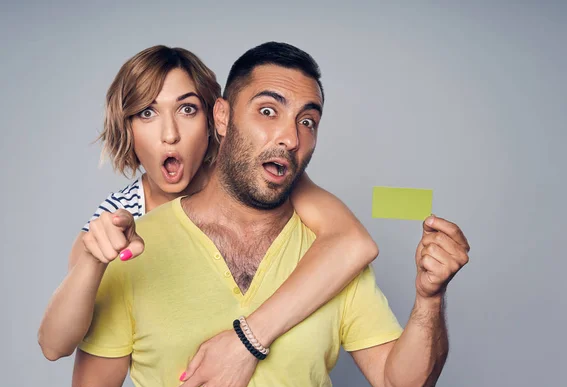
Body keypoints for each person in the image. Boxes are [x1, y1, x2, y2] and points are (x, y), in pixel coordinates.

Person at [71, 42, 470, 387]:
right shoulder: (134, 249)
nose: (291, 137)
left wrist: (429, 300)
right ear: (222, 118)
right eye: (268, 111)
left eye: (307, 121)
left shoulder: (331, 257)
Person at [37, 45, 378, 369]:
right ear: (127, 128)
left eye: (187, 109)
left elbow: (353, 243)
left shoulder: (253, 178)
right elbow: (54, 346)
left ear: (216, 118)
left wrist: (250, 338)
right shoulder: (116, 219)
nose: (170, 134)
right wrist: (94, 261)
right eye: (147, 113)